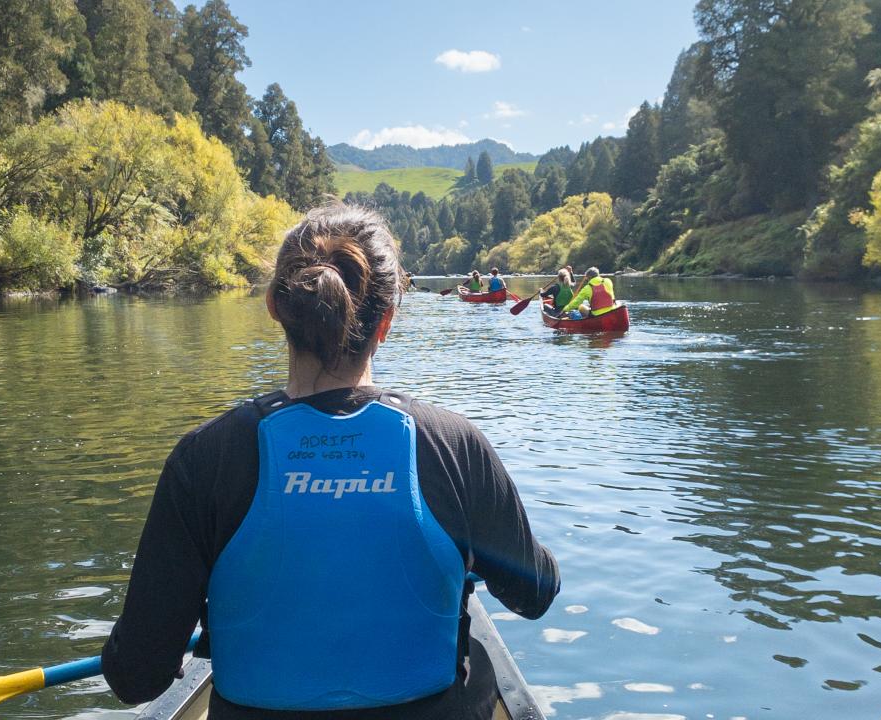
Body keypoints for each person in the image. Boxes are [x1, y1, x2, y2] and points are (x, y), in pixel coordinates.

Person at [102, 204, 559, 720]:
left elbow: (136, 676)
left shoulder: (202, 459)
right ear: (386, 321)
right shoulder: (456, 446)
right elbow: (535, 593)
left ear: (275, 306)